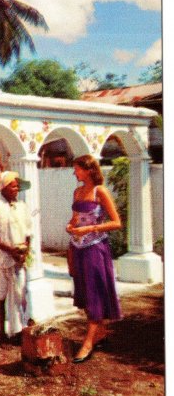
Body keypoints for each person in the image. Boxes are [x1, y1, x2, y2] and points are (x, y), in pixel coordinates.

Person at [66, 154, 122, 363]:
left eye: (77, 169)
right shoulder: (77, 192)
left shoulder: (101, 192)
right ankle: (100, 332)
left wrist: (92, 228)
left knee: (94, 291)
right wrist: (70, 227)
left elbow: (117, 223)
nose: (74, 173)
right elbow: (74, 219)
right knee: (85, 291)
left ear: (88, 170)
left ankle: (88, 343)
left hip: (95, 248)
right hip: (77, 247)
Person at [0, 171, 32, 347]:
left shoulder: (22, 207)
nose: (16, 188)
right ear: (3, 187)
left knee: (20, 295)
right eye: (12, 185)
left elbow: (28, 233)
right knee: (1, 296)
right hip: (1, 259)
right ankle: (2, 334)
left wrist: (25, 252)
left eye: (17, 185)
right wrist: (9, 249)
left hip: (18, 259)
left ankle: (18, 332)